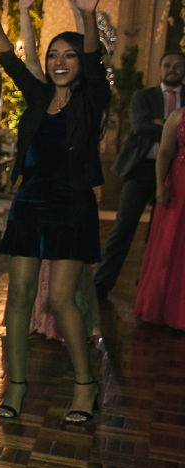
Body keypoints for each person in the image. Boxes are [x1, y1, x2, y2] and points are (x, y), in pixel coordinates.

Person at [0, 0, 109, 423]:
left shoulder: (92, 99)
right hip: (31, 202)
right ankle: (16, 384)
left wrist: (88, 15)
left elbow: (94, 62)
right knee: (18, 295)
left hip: (71, 205)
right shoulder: (38, 96)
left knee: (60, 299)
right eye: (53, 54)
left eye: (68, 55)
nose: (59, 61)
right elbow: (10, 60)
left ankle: (85, 385)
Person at [95, 51, 185, 297]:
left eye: (178, 65)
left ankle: (149, 284)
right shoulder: (143, 97)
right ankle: (102, 281)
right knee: (123, 226)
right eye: (167, 65)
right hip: (141, 168)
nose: (172, 69)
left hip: (176, 173)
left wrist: (161, 123)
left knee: (162, 232)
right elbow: (140, 126)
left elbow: (156, 127)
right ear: (160, 68)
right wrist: (172, 128)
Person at [133, 107, 185, 328]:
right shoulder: (178, 116)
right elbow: (164, 152)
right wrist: (159, 186)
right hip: (179, 187)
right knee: (170, 245)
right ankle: (164, 309)